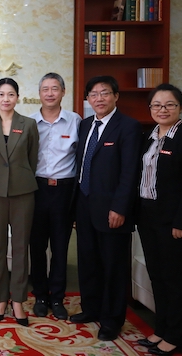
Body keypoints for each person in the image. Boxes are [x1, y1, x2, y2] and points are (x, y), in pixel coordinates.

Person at [136, 84, 182, 355]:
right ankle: (162, 329)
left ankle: (176, 336)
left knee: (174, 279)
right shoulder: (149, 136)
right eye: (156, 105)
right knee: (157, 276)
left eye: (169, 105)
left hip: (176, 222)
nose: (162, 109)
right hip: (148, 217)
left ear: (181, 108)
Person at [71, 75, 142, 341]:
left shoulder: (129, 127)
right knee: (88, 261)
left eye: (104, 93)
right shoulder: (85, 124)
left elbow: (130, 172)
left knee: (113, 266)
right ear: (88, 99)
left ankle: (112, 320)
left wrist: (120, 207)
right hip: (84, 204)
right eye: (94, 94)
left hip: (112, 208)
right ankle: (91, 308)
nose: (99, 98)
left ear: (116, 96)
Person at [0, 77, 39, 326]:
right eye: (1, 94)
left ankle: (18, 301)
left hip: (23, 192)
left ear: (17, 97)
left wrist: (18, 177)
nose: (6, 99)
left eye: (11, 94)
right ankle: (1, 299)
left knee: (21, 247)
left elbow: (33, 159)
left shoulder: (29, 124)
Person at [29, 73, 81, 320]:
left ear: (63, 92)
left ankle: (57, 297)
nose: (50, 93)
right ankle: (40, 296)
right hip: (36, 189)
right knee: (37, 246)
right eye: (45, 89)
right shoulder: (29, 123)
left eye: (55, 88)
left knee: (60, 247)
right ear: (39, 93)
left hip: (64, 190)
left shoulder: (76, 121)